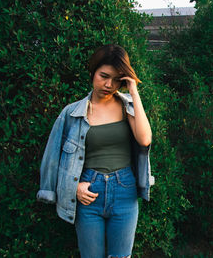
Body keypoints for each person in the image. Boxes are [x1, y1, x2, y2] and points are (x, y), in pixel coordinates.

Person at [36, 44, 154, 258]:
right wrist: (74, 188)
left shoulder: (127, 107)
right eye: (104, 76)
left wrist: (134, 92)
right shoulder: (71, 114)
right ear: (92, 72)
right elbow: (52, 159)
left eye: (117, 79)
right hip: (88, 194)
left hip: (124, 191)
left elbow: (145, 139)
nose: (109, 84)